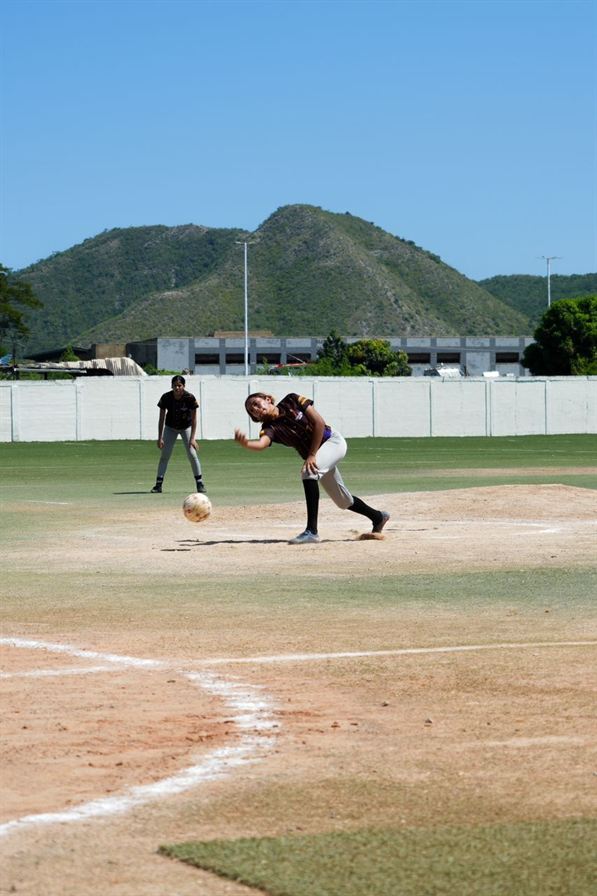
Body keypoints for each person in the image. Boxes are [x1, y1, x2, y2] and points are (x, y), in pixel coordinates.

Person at [234, 392, 389, 544]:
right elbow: (262, 444)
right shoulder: (269, 428)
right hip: (316, 456)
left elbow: (319, 423)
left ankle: (311, 532)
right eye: (251, 411)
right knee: (343, 501)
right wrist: (246, 443)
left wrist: (312, 454)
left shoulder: (292, 400)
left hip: (332, 442)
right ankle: (378, 517)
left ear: (267, 399)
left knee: (308, 473)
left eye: (256, 404)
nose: (255, 409)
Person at [151, 375, 207, 494]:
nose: (177, 388)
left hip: (186, 427)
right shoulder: (166, 397)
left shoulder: (190, 398)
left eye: (179, 385)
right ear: (171, 386)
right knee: (165, 455)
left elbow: (194, 419)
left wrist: (192, 438)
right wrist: (160, 437)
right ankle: (158, 484)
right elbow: (161, 419)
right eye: (175, 385)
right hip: (170, 428)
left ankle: (200, 483)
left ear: (184, 386)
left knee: (192, 454)